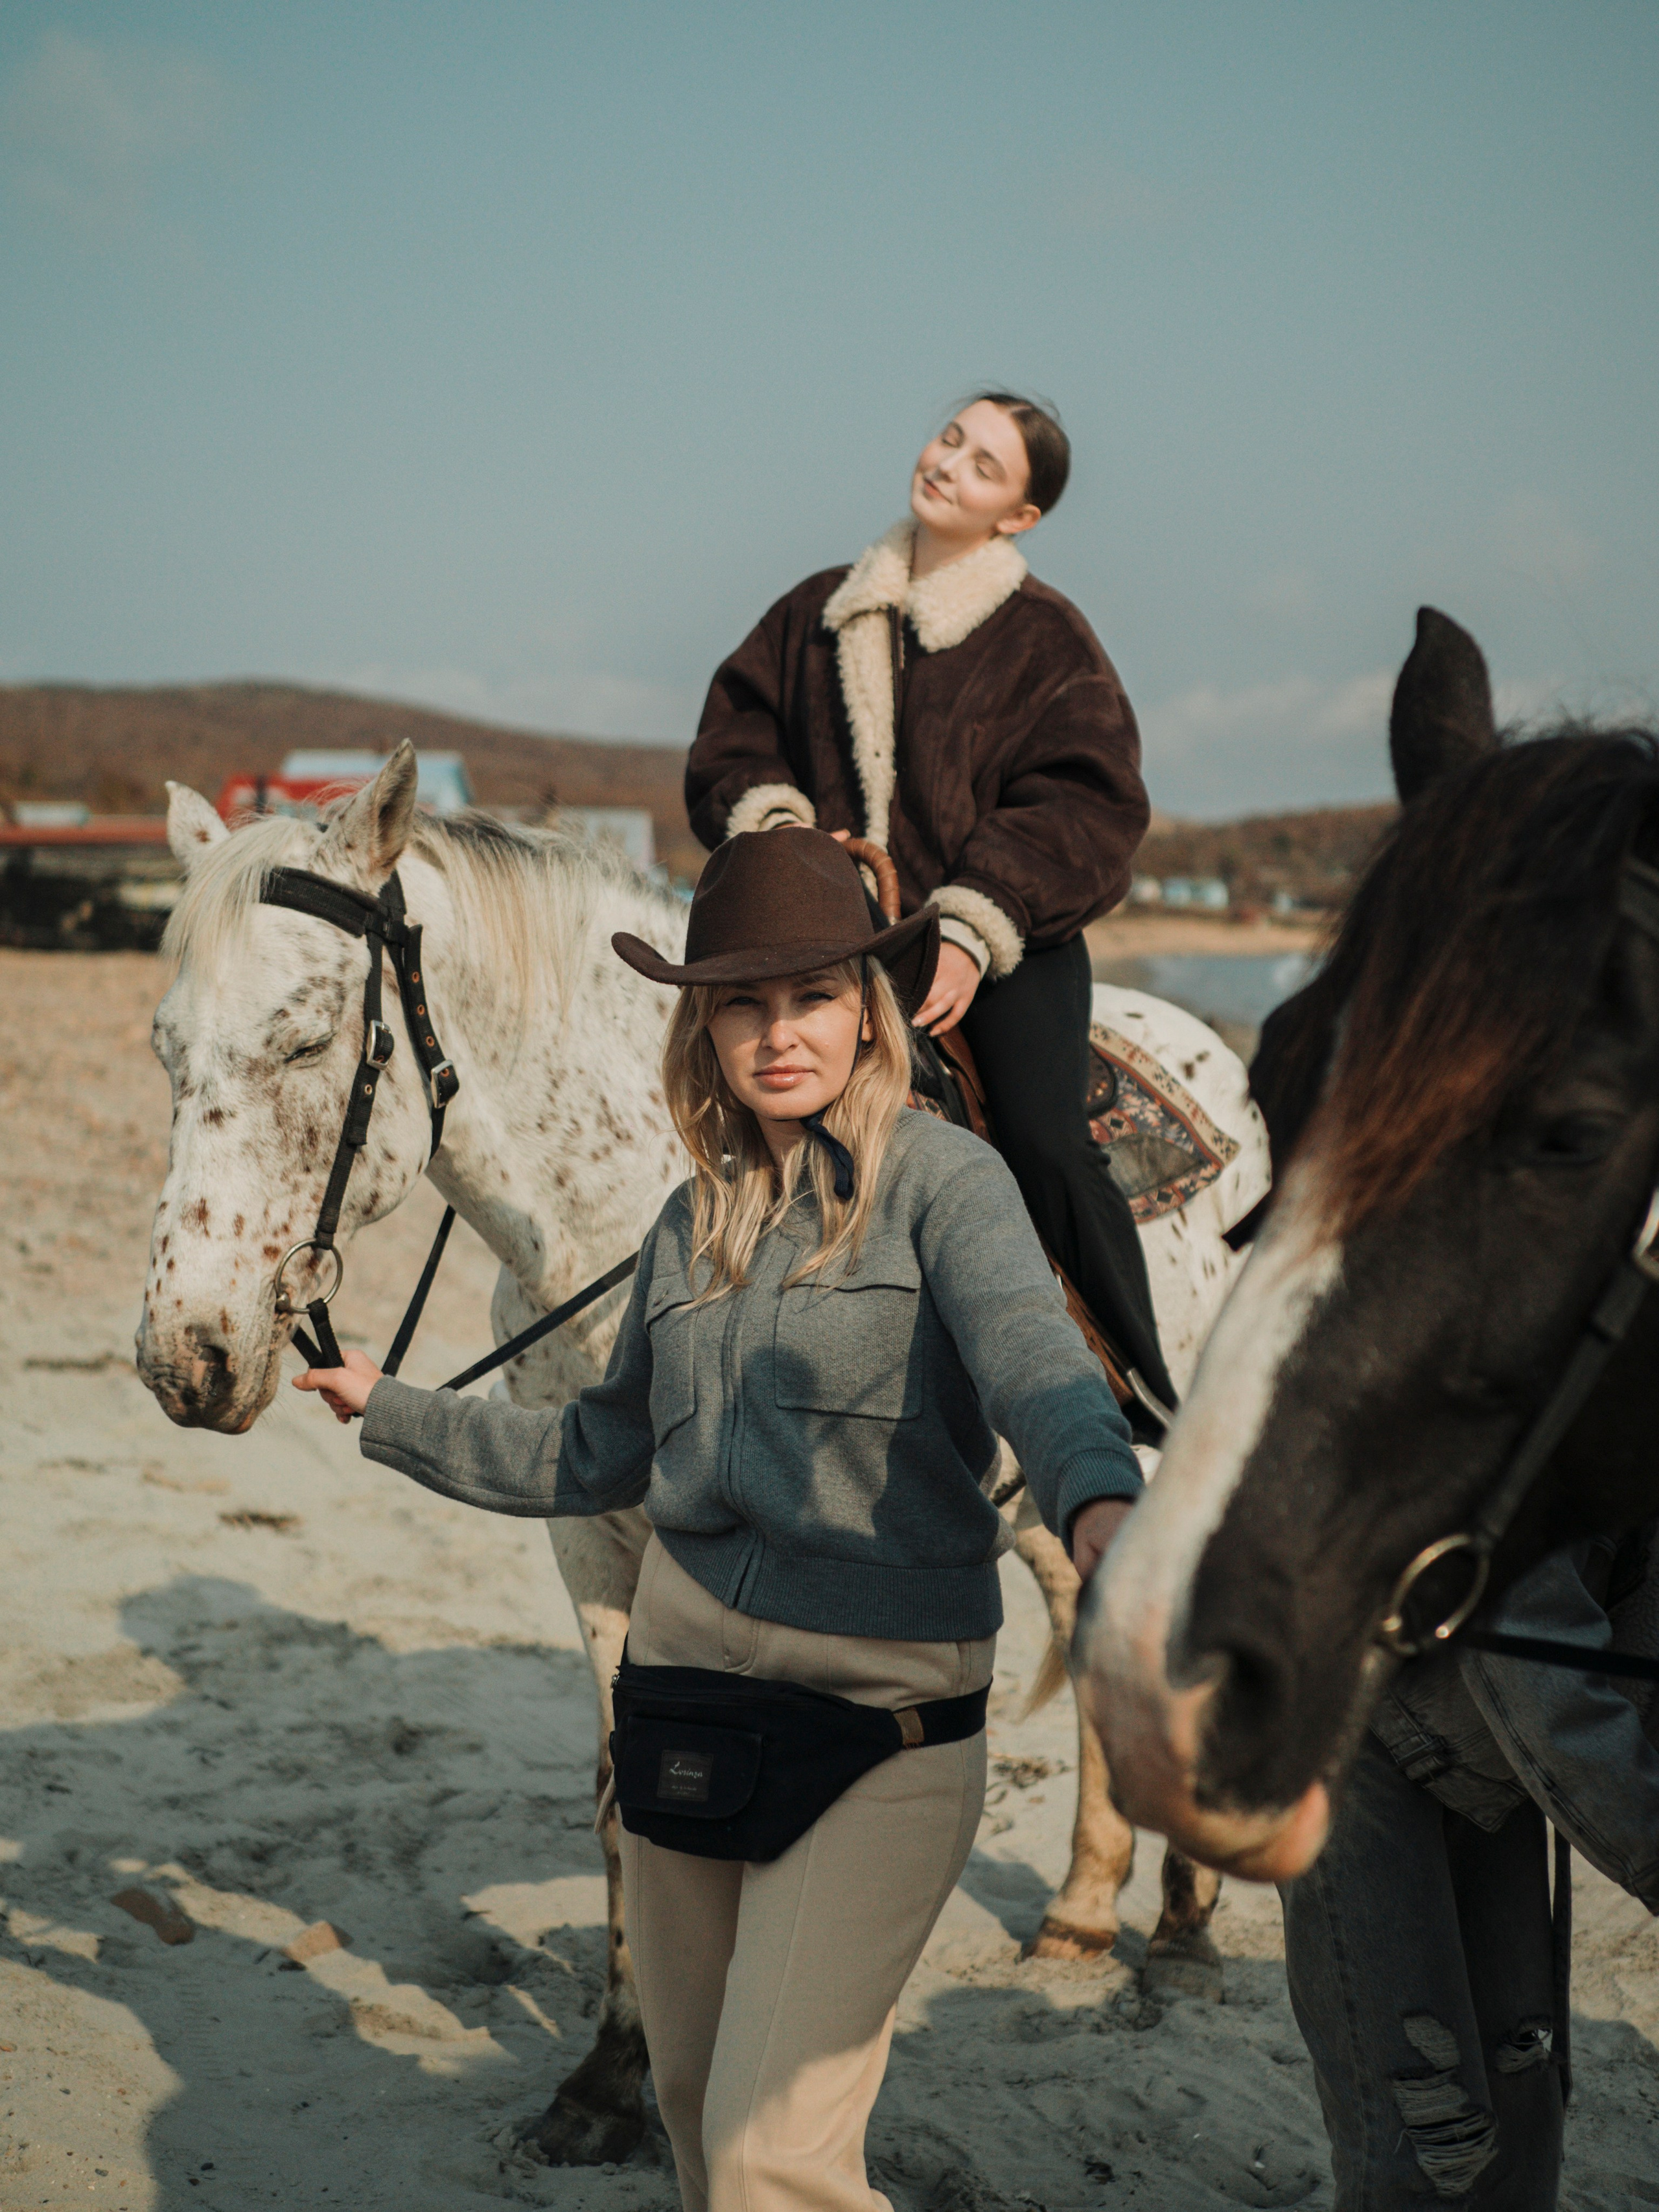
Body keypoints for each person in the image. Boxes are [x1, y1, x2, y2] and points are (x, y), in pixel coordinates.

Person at [294, 829, 1143, 2212]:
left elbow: (1033, 1359)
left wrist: (1098, 1495)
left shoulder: (946, 1184)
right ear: (703, 1028)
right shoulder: (691, 1218)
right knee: (696, 2123)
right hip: (683, 1713)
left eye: (811, 995)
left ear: (865, 1012)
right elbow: (596, 1449)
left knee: (770, 2162)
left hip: (881, 1722)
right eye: (742, 1003)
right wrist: (389, 1407)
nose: (777, 1032)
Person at [684, 391, 1175, 1415]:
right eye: (951, 439)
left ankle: (1138, 1394)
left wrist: (972, 921)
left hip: (1008, 935)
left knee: (1045, 1141)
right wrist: (782, 832)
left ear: (1018, 517)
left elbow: (1090, 801)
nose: (949, 465)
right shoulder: (818, 610)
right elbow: (736, 735)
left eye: (985, 465)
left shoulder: (1049, 639)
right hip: (832, 936)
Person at [1281, 1527, 1659, 2209]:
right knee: (1425, 2138)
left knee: (1521, 2096)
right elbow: (1527, 1635)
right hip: (1339, 1698)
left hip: (1491, 1742)